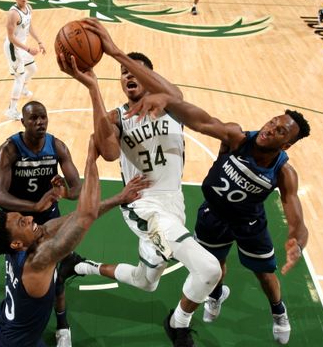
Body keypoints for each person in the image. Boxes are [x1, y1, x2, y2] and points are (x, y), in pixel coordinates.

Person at [58, 19, 221, 347]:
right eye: (123, 73)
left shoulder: (171, 107)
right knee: (209, 270)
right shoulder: (119, 116)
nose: (128, 75)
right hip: (143, 206)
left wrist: (117, 52)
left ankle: (82, 267)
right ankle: (178, 323)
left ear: (151, 77)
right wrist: (93, 88)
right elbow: (108, 151)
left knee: (146, 281)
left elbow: (173, 93)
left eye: (135, 71)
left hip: (174, 202)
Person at [123, 94, 311, 345]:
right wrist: (168, 100)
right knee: (215, 264)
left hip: (249, 223)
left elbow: (295, 215)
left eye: (279, 131)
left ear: (286, 145)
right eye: (271, 122)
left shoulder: (284, 172)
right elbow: (201, 122)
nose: (269, 129)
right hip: (214, 215)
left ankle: (278, 311)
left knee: (265, 274)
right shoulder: (237, 137)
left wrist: (297, 242)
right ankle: (217, 294)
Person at [0, 136, 149, 347]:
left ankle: (63, 326)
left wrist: (119, 198)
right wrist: (91, 157)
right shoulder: (39, 259)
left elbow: (76, 216)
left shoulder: (17, 244)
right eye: (23, 222)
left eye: (23, 216)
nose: (30, 218)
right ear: (16, 244)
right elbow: (85, 216)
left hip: (1, 327)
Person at [0, 100, 82, 347]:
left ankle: (62, 325)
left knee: (57, 276)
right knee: (21, 276)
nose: (40, 122)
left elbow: (77, 189)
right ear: (23, 122)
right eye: (33, 118)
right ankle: (21, 317)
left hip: (49, 219)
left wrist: (64, 192)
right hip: (21, 222)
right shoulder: (9, 149)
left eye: (43, 117)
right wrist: (33, 207)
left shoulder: (57, 146)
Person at [3, 0, 46, 121]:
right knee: (19, 78)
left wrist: (39, 41)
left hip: (22, 47)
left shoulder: (28, 8)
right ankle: (11, 110)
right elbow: (11, 37)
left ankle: (22, 89)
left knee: (32, 69)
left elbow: (29, 27)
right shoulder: (13, 14)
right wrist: (28, 49)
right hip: (13, 48)